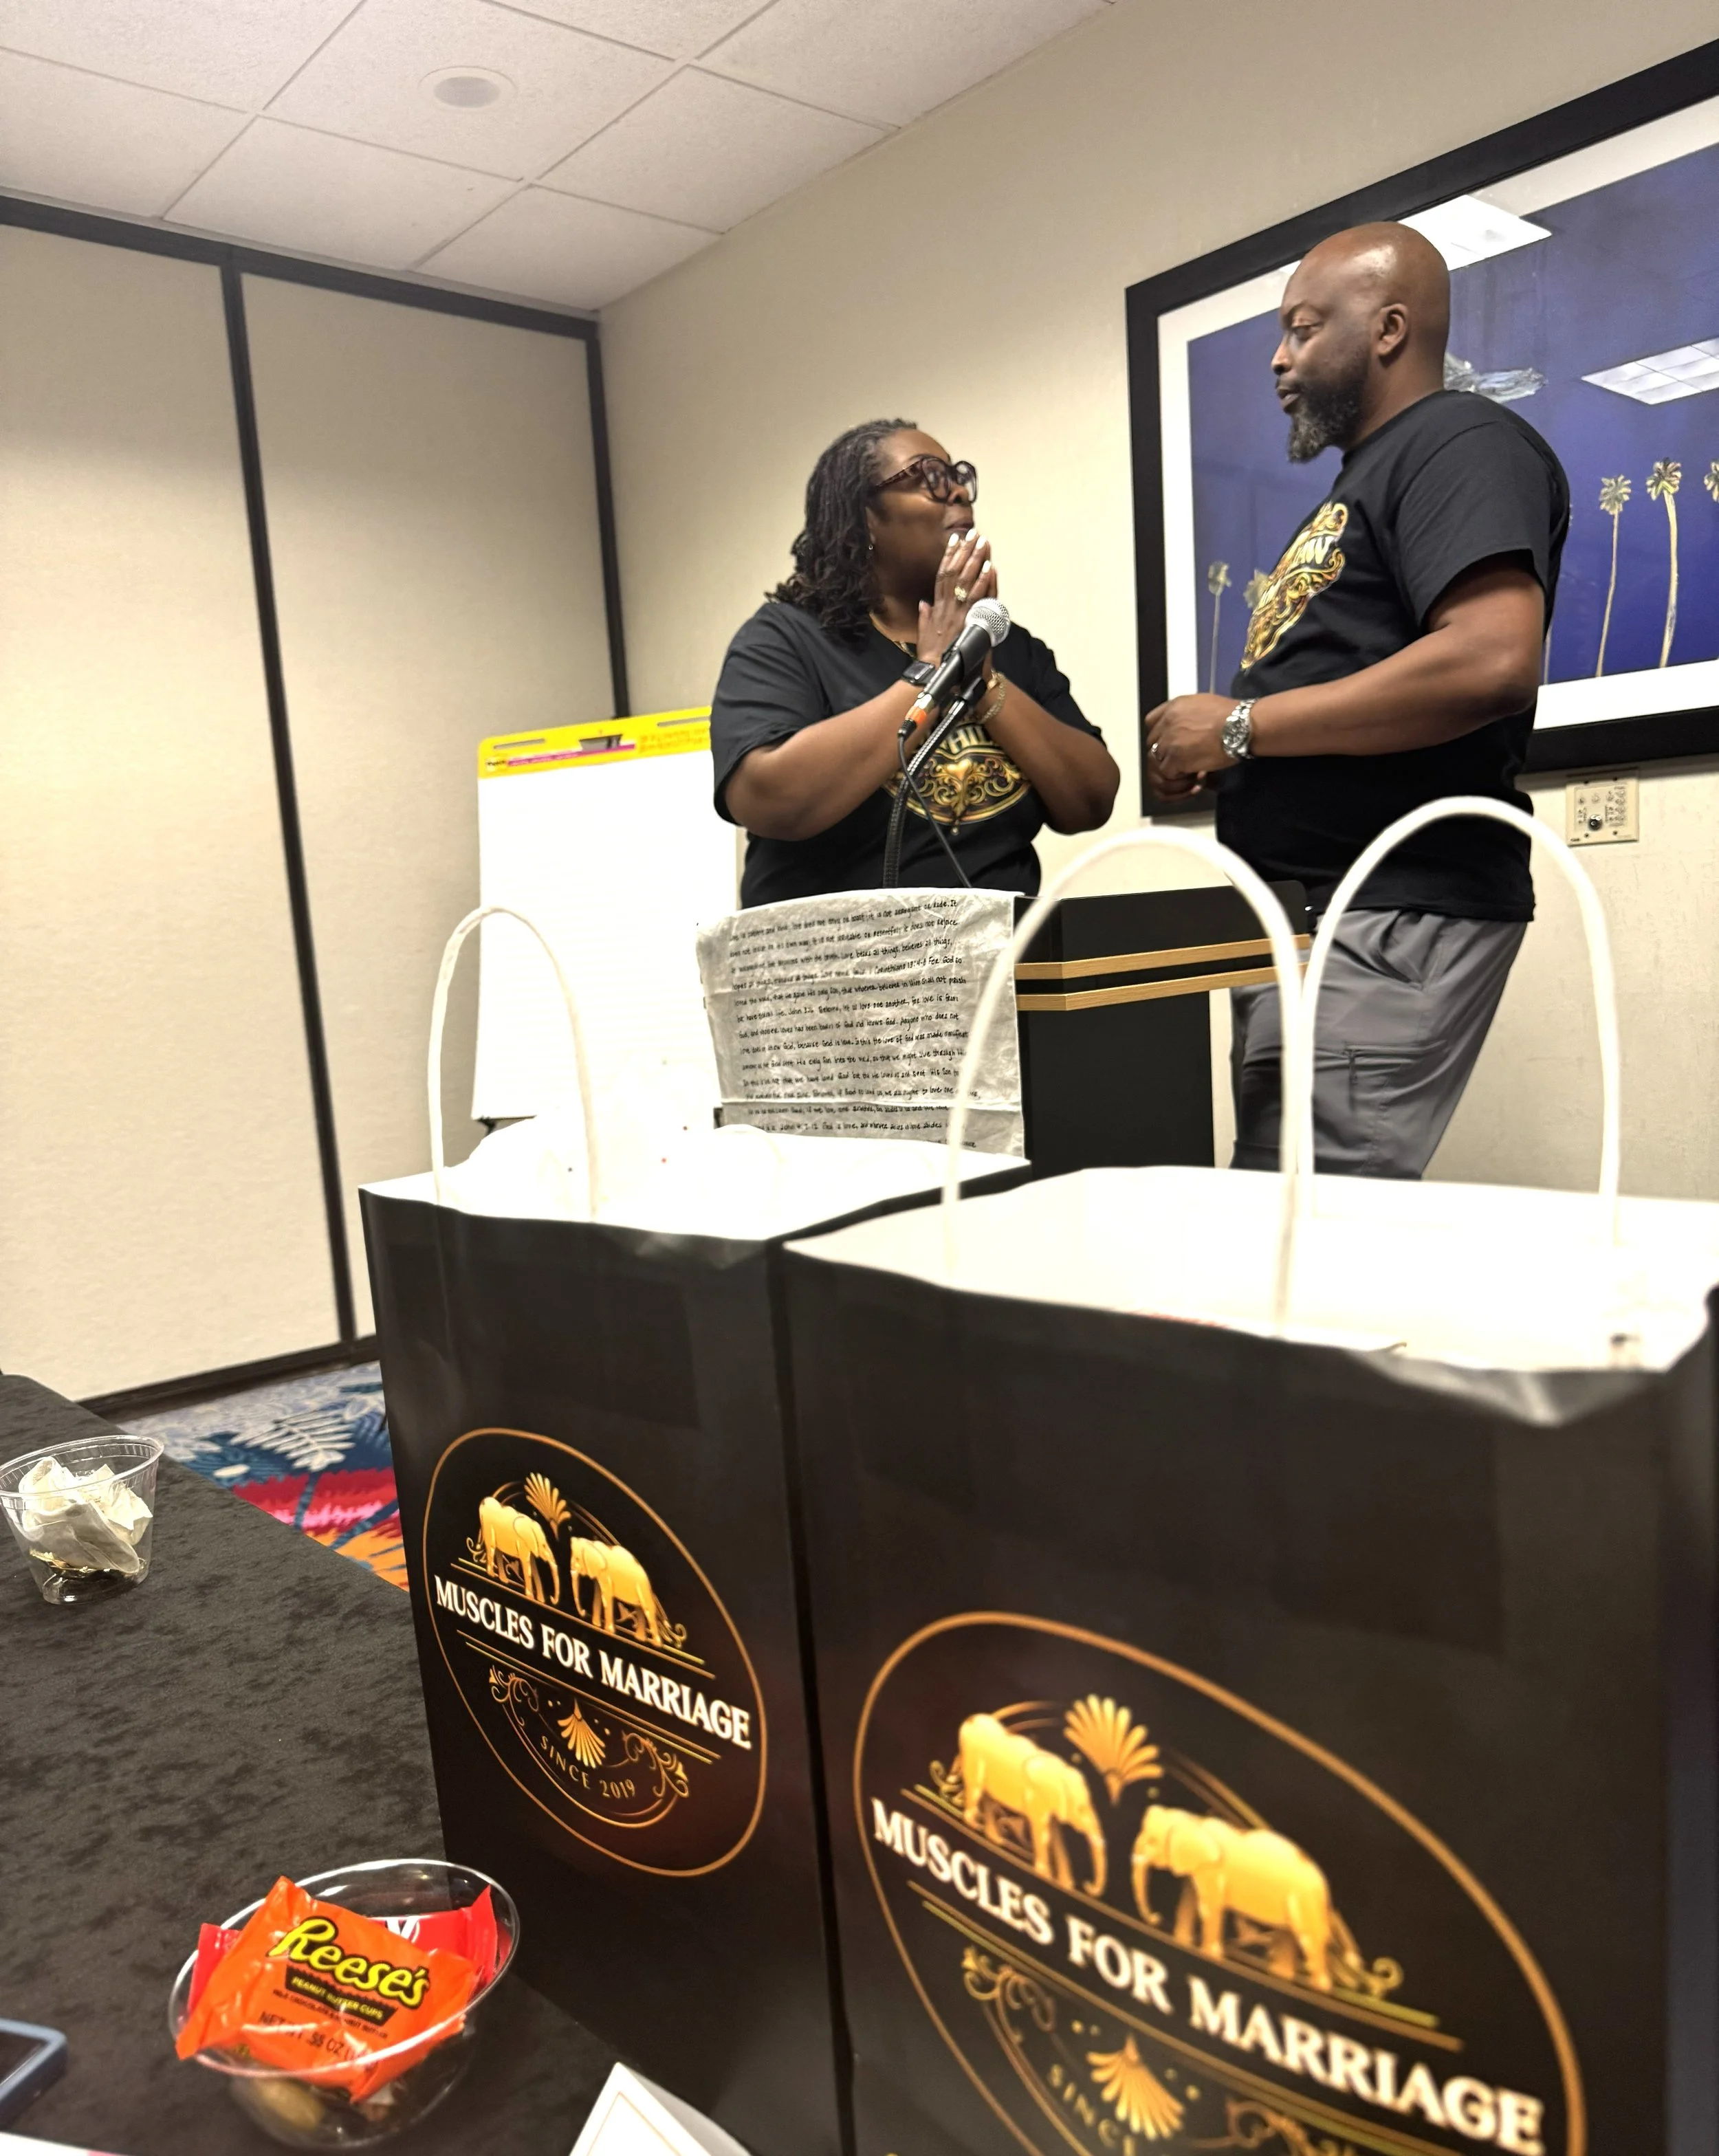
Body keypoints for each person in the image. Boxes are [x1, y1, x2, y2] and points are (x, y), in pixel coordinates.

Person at [1144, 222, 1570, 1178]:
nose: (1278, 356)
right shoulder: (1369, 475)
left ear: (1387, 329)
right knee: (1283, 1221)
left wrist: (1244, 727)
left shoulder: (1457, 439)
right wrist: (1229, 752)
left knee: (1315, 1241)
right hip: (1313, 914)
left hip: (1381, 908)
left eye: (1302, 328)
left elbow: (1492, 659)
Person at [711, 419, 1117, 905]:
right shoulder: (786, 639)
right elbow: (769, 800)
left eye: (959, 477)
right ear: (864, 517)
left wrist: (981, 677)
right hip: (840, 966)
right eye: (928, 478)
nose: (958, 494)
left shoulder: (1011, 648)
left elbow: (1091, 802)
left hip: (995, 965)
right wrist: (932, 671)